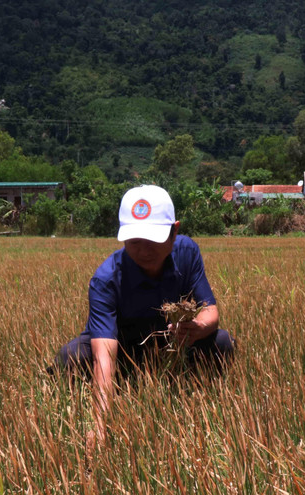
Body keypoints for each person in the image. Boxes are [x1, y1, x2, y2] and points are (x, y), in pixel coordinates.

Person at [52, 184, 235, 449]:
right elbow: (105, 354)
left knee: (222, 342)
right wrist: (99, 426)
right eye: (134, 241)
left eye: (153, 239)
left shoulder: (187, 252)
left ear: (175, 231)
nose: (144, 250)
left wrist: (197, 328)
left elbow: (211, 310)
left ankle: (196, 393)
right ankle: (123, 384)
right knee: (71, 357)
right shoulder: (106, 279)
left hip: (172, 348)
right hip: (124, 349)